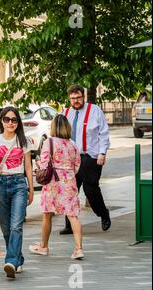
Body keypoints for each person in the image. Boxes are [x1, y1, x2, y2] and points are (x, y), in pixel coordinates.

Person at [0, 106, 34, 280]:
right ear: (2, 121)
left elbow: (28, 166)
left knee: (16, 226)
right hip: (1, 185)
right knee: (6, 229)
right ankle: (18, 258)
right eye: (7, 119)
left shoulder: (23, 141)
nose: (10, 123)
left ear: (18, 122)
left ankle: (11, 260)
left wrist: (31, 189)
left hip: (19, 183)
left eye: (14, 120)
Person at [29, 114, 84, 259]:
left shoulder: (49, 141)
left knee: (47, 215)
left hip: (53, 182)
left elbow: (44, 163)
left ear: (53, 126)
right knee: (73, 215)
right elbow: (77, 164)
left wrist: (39, 161)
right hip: (70, 182)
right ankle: (78, 249)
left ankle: (44, 246)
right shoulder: (73, 144)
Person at [60, 84, 111, 235]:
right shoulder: (66, 113)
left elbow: (104, 133)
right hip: (70, 159)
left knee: (91, 190)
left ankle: (103, 214)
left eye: (78, 97)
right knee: (69, 192)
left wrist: (102, 153)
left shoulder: (95, 111)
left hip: (90, 157)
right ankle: (69, 224)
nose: (75, 101)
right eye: (72, 98)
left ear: (83, 96)